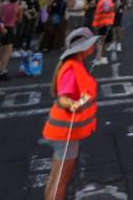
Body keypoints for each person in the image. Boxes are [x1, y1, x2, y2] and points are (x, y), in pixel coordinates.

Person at [42, 27, 100, 200]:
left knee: (55, 178)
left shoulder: (75, 64)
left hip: (64, 131)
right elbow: (63, 98)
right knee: (60, 181)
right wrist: (73, 104)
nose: (94, 46)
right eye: (91, 44)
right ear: (82, 47)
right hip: (65, 133)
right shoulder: (71, 67)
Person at [0, 0, 21, 79]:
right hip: (10, 28)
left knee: (0, 50)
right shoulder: (17, 7)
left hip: (2, 27)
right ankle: (2, 70)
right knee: (7, 51)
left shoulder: (3, 6)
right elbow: (19, 19)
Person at [91, 0, 116, 67]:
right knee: (101, 41)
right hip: (103, 23)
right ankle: (98, 58)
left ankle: (100, 57)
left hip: (103, 23)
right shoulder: (106, 0)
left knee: (103, 41)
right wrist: (115, 6)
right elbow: (107, 9)